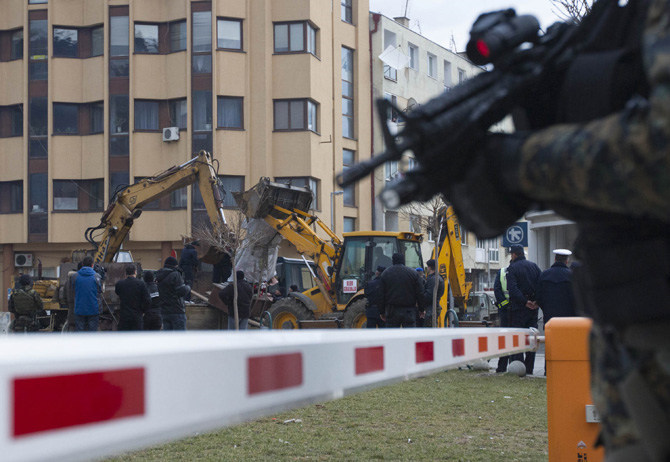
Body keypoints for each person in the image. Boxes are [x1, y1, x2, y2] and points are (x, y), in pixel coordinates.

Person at [505, 245, 541, 375]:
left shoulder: (512, 268)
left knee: (518, 339)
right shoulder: (534, 266)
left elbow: (513, 289)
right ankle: (530, 369)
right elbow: (540, 285)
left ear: (514, 255)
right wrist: (535, 301)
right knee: (532, 339)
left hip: (518, 309)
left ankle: (520, 369)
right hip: (532, 309)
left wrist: (525, 302)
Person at [379, 253, 423, 328]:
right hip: (409, 311)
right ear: (404, 260)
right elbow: (420, 293)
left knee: (392, 336)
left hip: (392, 311)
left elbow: (381, 295)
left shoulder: (385, 274)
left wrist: (382, 312)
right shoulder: (413, 274)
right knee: (409, 336)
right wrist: (421, 309)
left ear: (393, 261)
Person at [536, 249, 576, 326]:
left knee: (551, 337)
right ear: (567, 261)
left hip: (550, 318)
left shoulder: (544, 274)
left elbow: (538, 297)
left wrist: (546, 309)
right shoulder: (572, 276)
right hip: (569, 318)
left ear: (555, 259)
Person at [156, 256, 191, 330]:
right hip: (176, 310)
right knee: (179, 338)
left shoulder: (159, 276)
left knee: (168, 339)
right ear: (175, 265)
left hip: (164, 311)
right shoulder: (175, 274)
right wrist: (188, 287)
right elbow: (181, 291)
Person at [115, 264, 151, 331]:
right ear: (135, 272)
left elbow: (117, 292)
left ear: (126, 273)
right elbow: (147, 300)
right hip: (137, 316)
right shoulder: (141, 284)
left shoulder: (120, 284)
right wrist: (143, 311)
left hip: (124, 317)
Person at [74, 256, 102, 332]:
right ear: (92, 265)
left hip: (79, 308)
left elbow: (72, 291)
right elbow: (99, 291)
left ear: (82, 264)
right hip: (93, 308)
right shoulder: (97, 277)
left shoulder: (75, 276)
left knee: (79, 334)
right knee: (92, 335)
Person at [493, 265, 511, 373]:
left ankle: (502, 366)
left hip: (505, 312)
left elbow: (497, 290)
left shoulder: (503, 272)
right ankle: (524, 367)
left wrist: (505, 305)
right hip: (520, 311)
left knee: (505, 339)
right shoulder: (529, 268)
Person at [422, 259, 445, 328]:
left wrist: (420, 302)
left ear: (429, 267)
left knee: (429, 329)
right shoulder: (438, 278)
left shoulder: (433, 279)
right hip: (433, 307)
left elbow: (429, 295)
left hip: (431, 309)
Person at [63, 262, 83, 331]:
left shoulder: (68, 281)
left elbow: (64, 296)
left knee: (72, 328)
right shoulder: (82, 280)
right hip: (82, 311)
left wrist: (69, 304)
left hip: (71, 310)